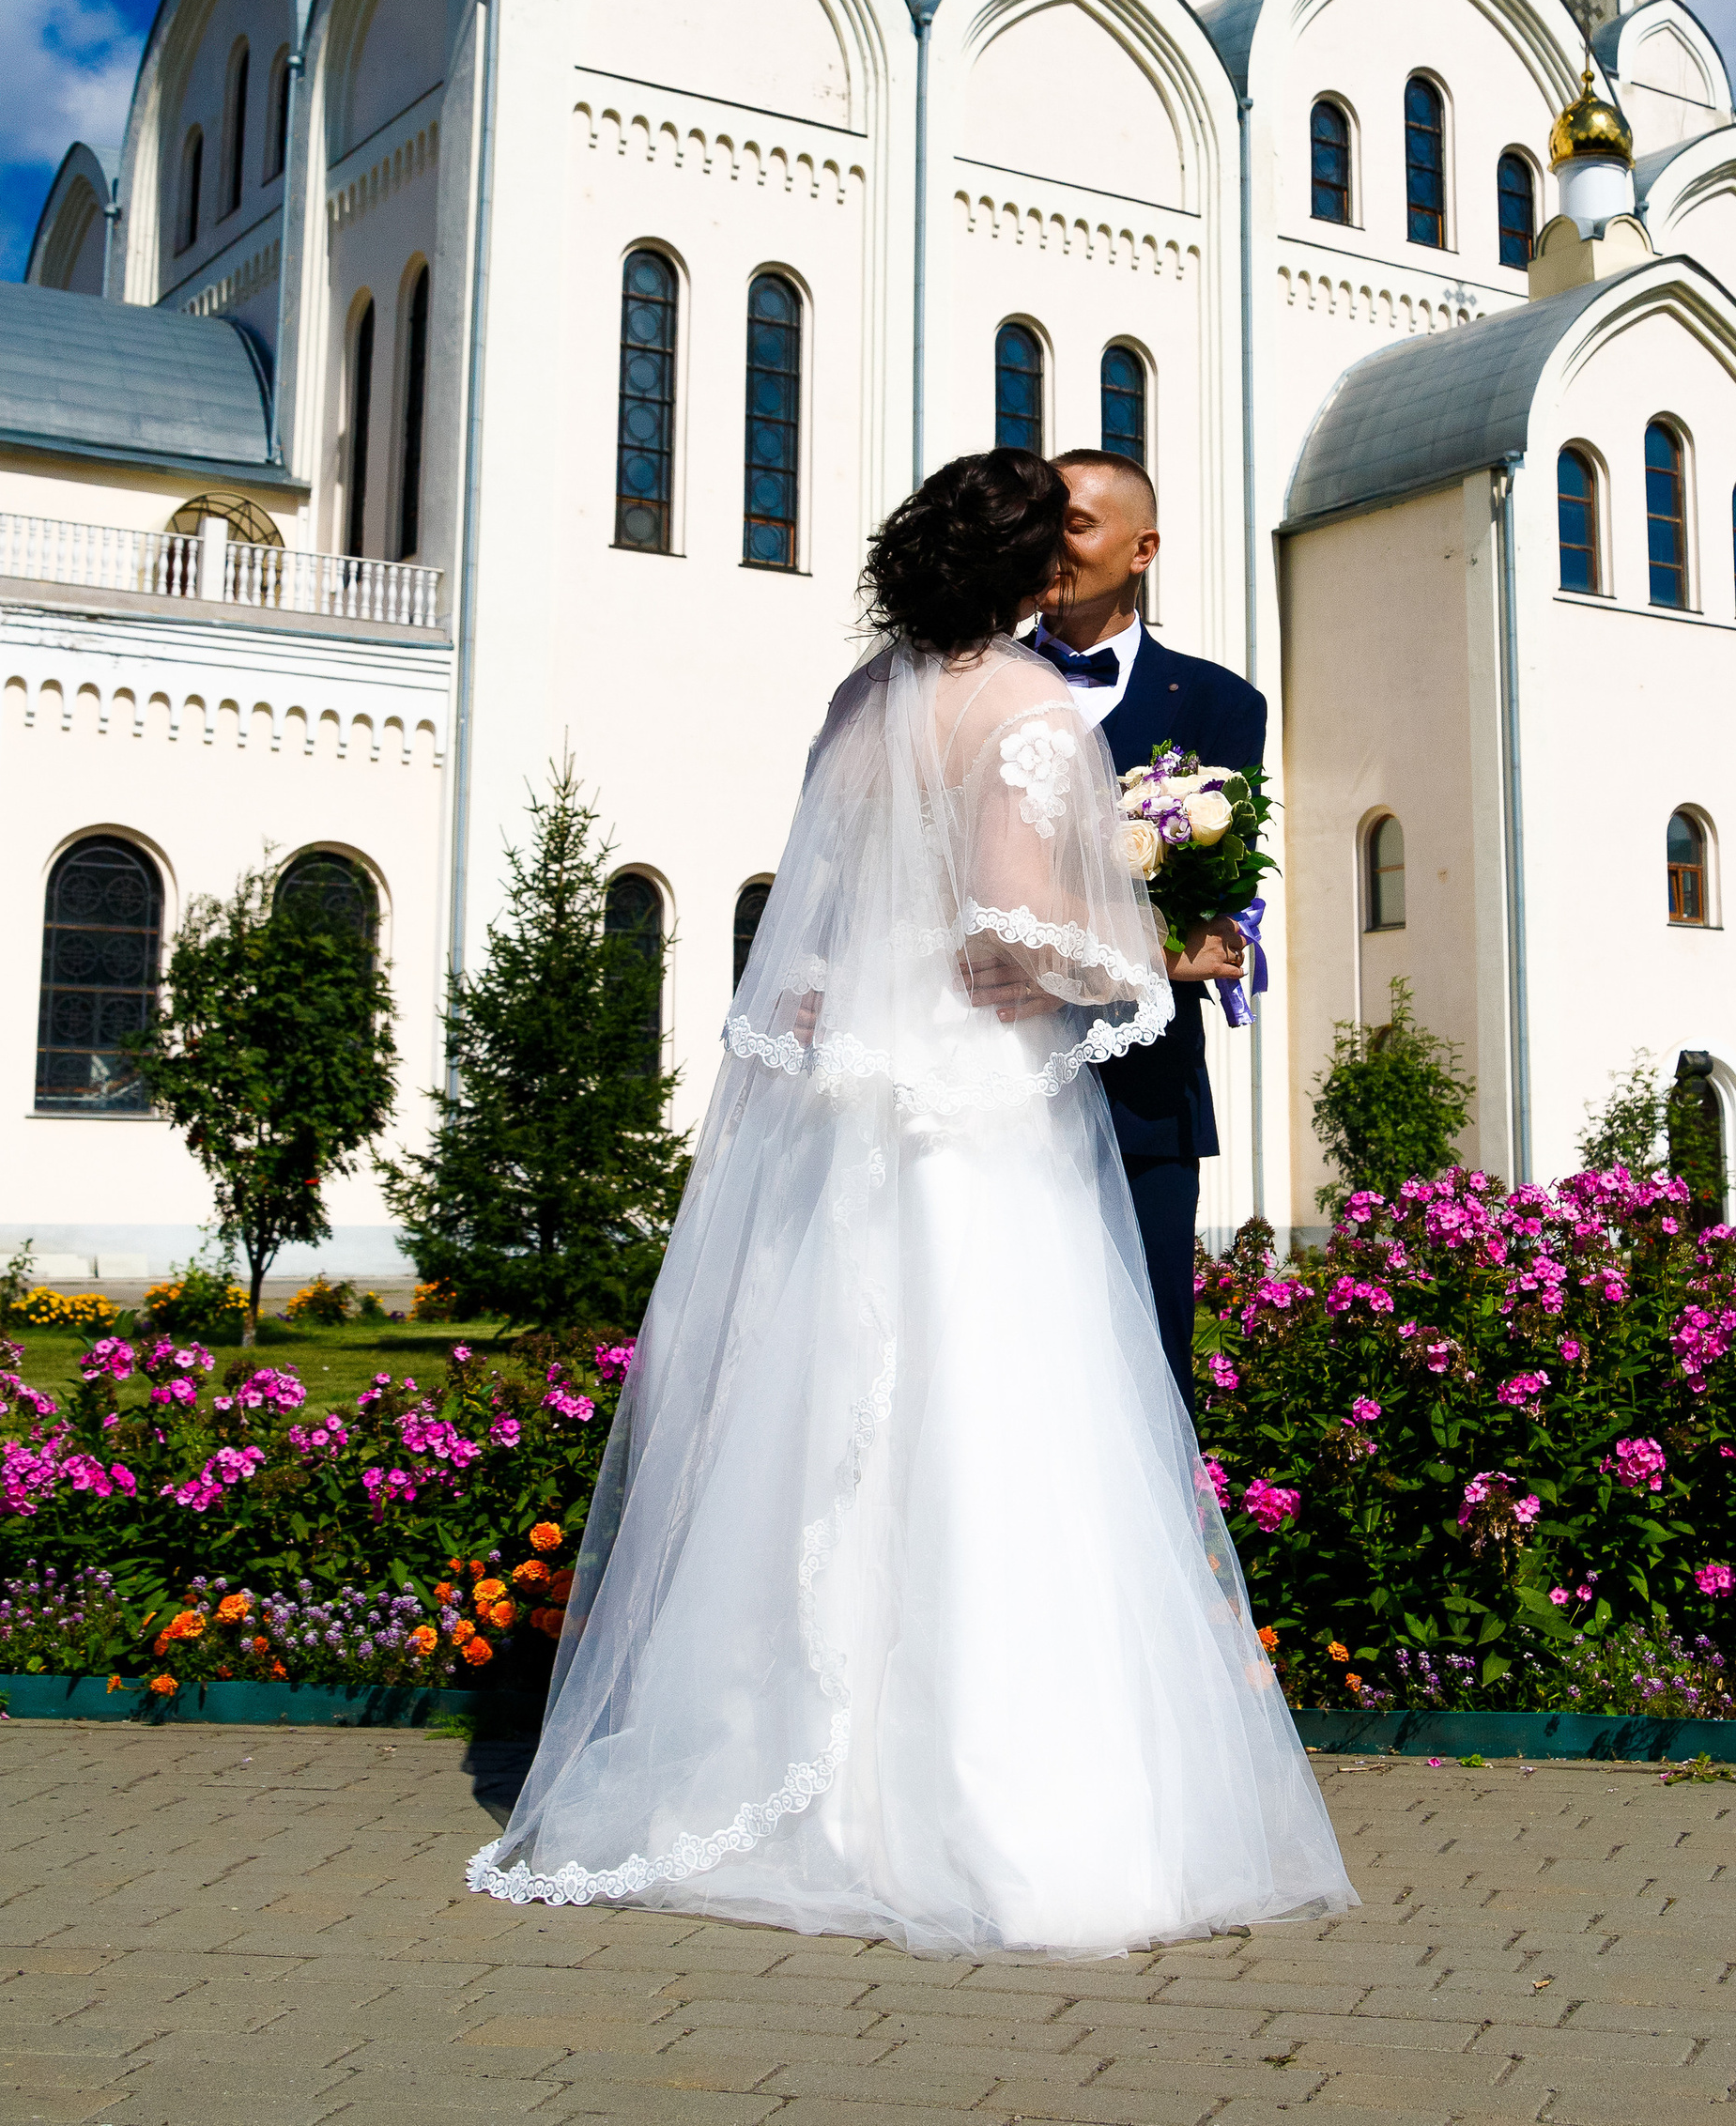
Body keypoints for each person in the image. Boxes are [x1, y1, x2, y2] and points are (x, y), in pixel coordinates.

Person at [469, 450, 1354, 1953]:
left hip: (853, 1099)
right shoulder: (1024, 710)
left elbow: (819, 917)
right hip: (975, 1108)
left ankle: (800, 1767)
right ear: (1026, 572)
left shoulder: (859, 703)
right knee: (997, 1420)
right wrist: (1137, 944)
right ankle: (988, 1809)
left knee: (829, 1427)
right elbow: (1019, 917)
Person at [1035, 453, 1264, 1388]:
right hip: (981, 1085)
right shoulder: (965, 691)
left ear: (1143, 549)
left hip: (1145, 1101)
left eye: (1075, 522)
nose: (1049, 540)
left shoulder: (1218, 704)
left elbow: (1216, 930)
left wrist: (1051, 952)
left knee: (1145, 1370)